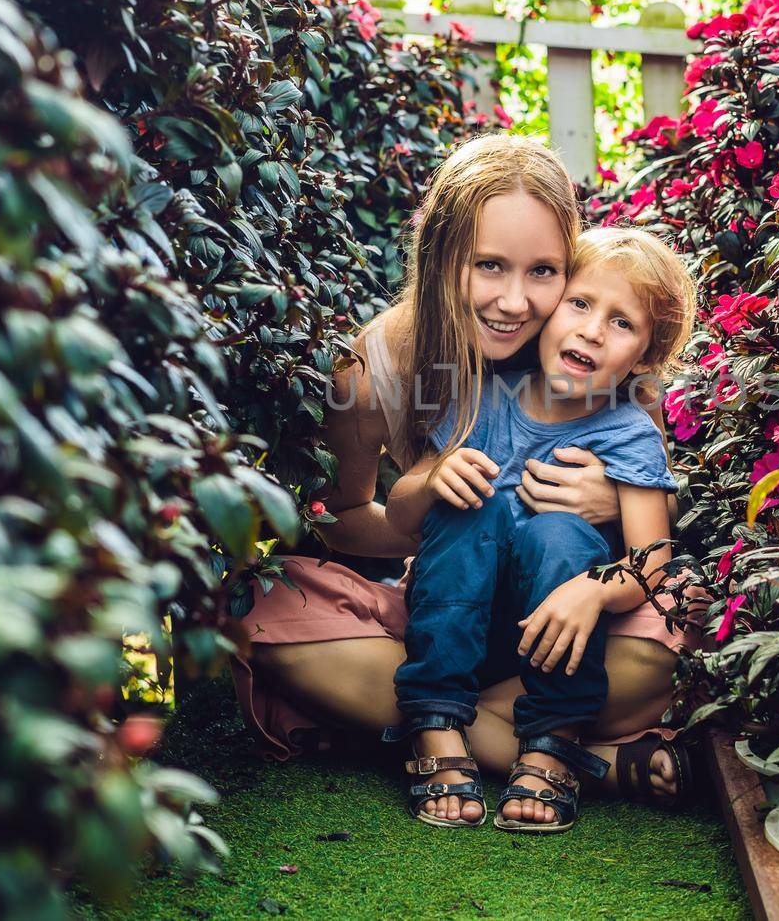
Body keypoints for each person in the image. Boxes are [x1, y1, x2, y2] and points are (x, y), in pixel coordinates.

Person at [231, 134, 699, 831]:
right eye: (488, 266)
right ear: (444, 254)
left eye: (544, 271)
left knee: (682, 621)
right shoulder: (382, 367)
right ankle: (572, 754)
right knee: (259, 600)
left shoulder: (606, 378)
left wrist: (605, 505)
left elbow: (648, 537)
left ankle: (443, 726)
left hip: (551, 629)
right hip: (437, 608)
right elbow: (342, 517)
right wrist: (424, 502)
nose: (516, 301)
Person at [382, 228, 696, 831]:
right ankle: (435, 722)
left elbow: (652, 560)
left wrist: (597, 590)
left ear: (645, 359)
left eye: (622, 323)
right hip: (456, 617)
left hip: (553, 636)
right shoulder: (481, 395)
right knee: (469, 507)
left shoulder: (628, 434)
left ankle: (551, 740)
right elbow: (401, 512)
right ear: (552, 308)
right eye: (580, 303)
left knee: (559, 534)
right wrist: (432, 478)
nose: (592, 330)